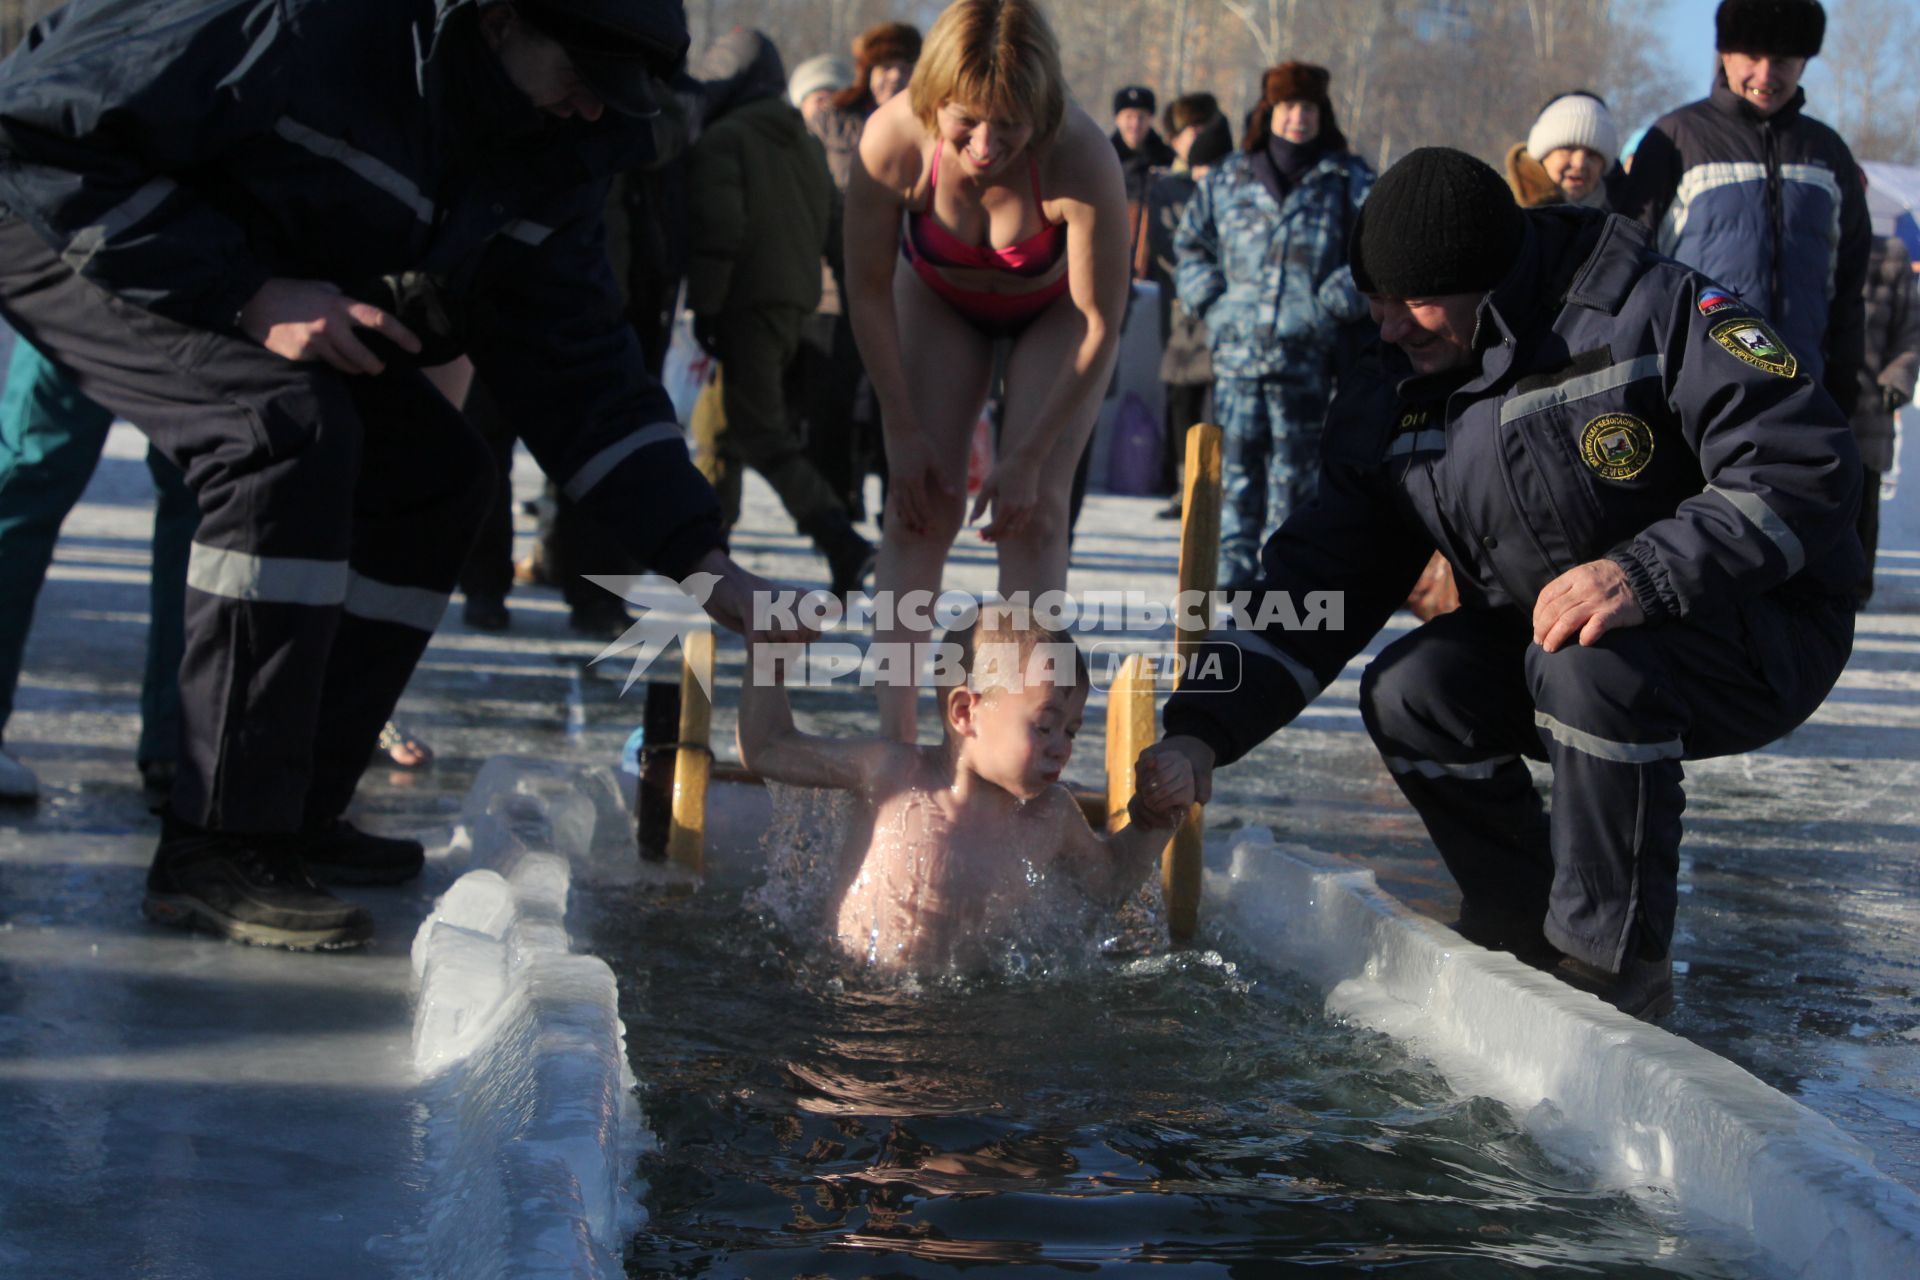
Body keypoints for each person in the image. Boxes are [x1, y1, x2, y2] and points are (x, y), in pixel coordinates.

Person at [0, 0, 794, 951]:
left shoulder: (562, 137)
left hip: (245, 257)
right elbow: (34, 127)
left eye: (614, 96)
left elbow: (580, 366)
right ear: (498, 20)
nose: (592, 111)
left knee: (437, 473)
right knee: (280, 431)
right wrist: (247, 294)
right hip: (62, 213)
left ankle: (295, 810)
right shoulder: (308, 25)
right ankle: (218, 840)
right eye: (580, 78)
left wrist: (702, 559)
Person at [1137, 147, 1863, 1021]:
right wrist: (1199, 729)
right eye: (1373, 301)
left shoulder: (1647, 310)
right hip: (1565, 635)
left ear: (1489, 279)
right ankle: (1522, 919)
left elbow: (1801, 464)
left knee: (1586, 663)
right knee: (1413, 690)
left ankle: (1611, 967)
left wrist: (1644, 573)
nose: (1389, 326)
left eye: (1411, 303)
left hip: (1756, 625)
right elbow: (1318, 577)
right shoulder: (1393, 380)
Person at [844, 0, 1129, 742]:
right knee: (918, 507)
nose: (985, 144)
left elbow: (1101, 321)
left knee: (1031, 520)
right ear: (935, 98)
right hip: (938, 300)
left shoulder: (1083, 157)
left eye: (1010, 126)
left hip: (1056, 316)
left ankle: (1013, 734)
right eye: (966, 121)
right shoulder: (891, 140)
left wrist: (1029, 456)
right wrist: (901, 430)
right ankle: (897, 740)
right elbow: (868, 291)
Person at [737, 613, 1185, 971]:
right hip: (846, 996)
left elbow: (1107, 886)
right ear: (966, 712)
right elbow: (767, 749)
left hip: (972, 1026)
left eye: (1071, 730)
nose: (1062, 749)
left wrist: (1153, 820)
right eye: (1045, 726)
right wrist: (766, 662)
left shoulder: (1051, 815)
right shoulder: (890, 773)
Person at [686, 28, 875, 597]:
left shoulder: (727, 139)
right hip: (793, 306)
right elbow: (836, 225)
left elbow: (719, 230)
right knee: (715, 431)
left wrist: (707, 306)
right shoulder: (803, 140)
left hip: (745, 305)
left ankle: (841, 540)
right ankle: (706, 549)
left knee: (760, 434)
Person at [1617, 0, 1869, 416]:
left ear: (1804, 63)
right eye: (1752, 56)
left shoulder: (1827, 153)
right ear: (1726, 55)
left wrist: (1844, 385)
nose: (1766, 75)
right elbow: (1627, 267)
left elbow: (1849, 285)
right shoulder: (1675, 139)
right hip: (1694, 394)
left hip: (1802, 392)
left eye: (1783, 60)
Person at [1174, 61, 1373, 588]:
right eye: (1287, 107)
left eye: (1308, 108)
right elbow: (1191, 246)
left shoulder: (1347, 179)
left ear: (1321, 113)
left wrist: (1332, 302)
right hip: (1236, 359)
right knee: (1234, 486)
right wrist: (1214, 305)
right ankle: (1229, 598)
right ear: (1269, 111)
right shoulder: (1228, 177)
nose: (1298, 119)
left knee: (1297, 490)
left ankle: (1280, 603)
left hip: (1306, 362)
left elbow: (1377, 253)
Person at [0, 336, 194, 806]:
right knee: (27, 484)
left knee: (205, 497)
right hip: (80, 290)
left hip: (206, 298)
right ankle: (189, 741)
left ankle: (192, 738)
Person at [1140, 95, 1232, 516]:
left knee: (1224, 396)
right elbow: (1163, 246)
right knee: (1182, 396)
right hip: (1182, 310)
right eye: (1189, 130)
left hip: (1229, 309)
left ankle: (1222, 484)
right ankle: (1185, 485)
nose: (1197, 138)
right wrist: (1198, 283)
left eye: (1203, 127)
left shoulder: (1232, 182)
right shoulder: (1166, 188)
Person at [1852, 230, 1920, 604]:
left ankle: (1858, 586)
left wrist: (1896, 377)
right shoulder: (1812, 245)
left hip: (1871, 402)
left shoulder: (1891, 256)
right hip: (1821, 393)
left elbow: (1911, 334)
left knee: (1865, 496)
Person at [1505, 91, 1619, 210]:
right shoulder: (1502, 207)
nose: (1580, 163)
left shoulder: (1619, 222)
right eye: (1568, 148)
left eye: (1592, 155)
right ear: (1542, 154)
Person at [1110, 84, 1173, 207]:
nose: (1135, 124)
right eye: (1129, 117)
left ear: (1150, 118)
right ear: (1117, 119)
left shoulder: (1166, 158)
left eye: (1141, 117)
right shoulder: (1104, 158)